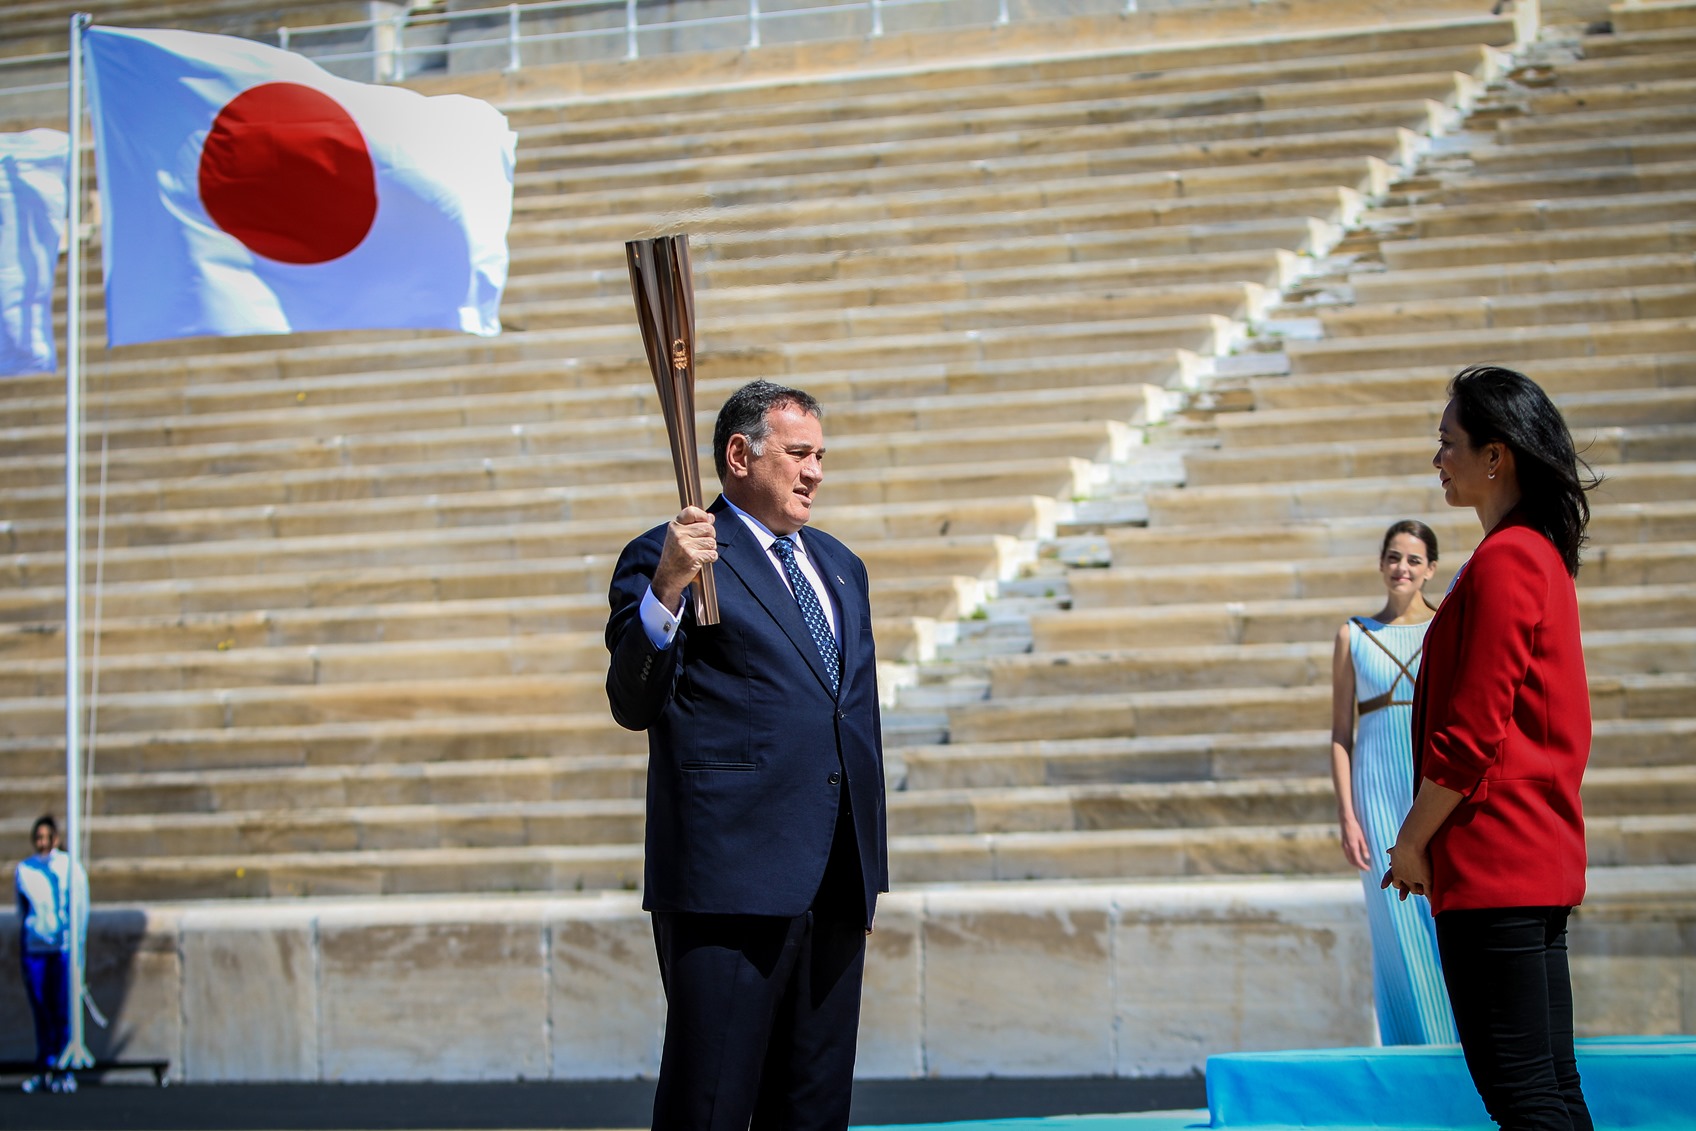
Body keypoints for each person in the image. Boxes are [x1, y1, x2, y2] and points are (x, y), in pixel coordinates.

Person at [605, 380, 888, 1131]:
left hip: (836, 871)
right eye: (799, 453)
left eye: (821, 455)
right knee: (713, 1102)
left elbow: (846, 711)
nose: (815, 471)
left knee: (814, 1108)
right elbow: (632, 702)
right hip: (730, 878)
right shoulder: (670, 557)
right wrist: (667, 586)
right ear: (740, 455)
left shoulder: (840, 565)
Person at [1383, 364, 1597, 1130]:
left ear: (1495, 455)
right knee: (1551, 1089)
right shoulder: (1539, 553)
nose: (1438, 459)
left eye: (1449, 443)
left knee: (1526, 1095)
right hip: (1533, 862)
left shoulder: (1508, 558)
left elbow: (1475, 732)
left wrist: (1411, 841)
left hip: (1496, 866)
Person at [1329, 519, 1458, 1046]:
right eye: (1392, 557)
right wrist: (1347, 814)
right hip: (1376, 792)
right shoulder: (1353, 635)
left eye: (1412, 559)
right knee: (1397, 929)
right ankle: (1416, 1052)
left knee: (1442, 921)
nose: (1401, 568)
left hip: (1431, 788)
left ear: (1430, 569)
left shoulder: (1445, 626)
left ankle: (1462, 1051)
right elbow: (1341, 733)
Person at [15, 815, 89, 1095]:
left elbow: (80, 910)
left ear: (56, 839)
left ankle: (63, 1066)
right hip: (36, 949)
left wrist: (77, 948)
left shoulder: (69, 868)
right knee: (41, 1008)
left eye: (47, 838)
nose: (43, 844)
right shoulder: (25, 870)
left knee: (61, 1008)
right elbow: (23, 911)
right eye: (39, 838)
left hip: (61, 950)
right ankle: (45, 1065)